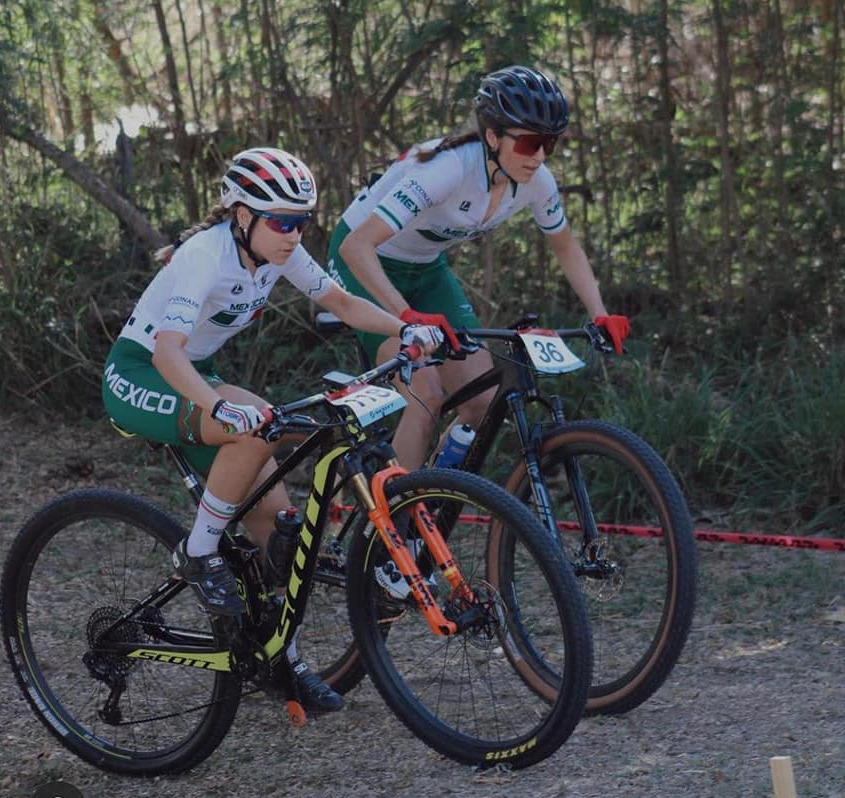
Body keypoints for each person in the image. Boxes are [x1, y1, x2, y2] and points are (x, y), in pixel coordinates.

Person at [102, 147, 442, 711]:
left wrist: (406, 327)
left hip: (194, 372)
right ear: (242, 215)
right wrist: (215, 405)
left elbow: (339, 300)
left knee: (279, 530)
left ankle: (275, 658)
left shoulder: (279, 249)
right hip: (141, 373)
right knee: (252, 428)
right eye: (283, 221)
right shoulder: (202, 256)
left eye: (302, 221)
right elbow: (167, 353)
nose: (294, 233)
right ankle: (200, 548)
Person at [327, 65, 630, 469]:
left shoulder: (537, 182)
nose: (539, 156)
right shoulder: (447, 169)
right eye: (529, 144)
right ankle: (392, 523)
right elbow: (356, 246)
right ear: (492, 136)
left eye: (549, 144)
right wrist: (405, 316)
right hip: (365, 262)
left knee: (483, 404)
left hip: (425, 267)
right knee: (426, 392)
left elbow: (565, 247)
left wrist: (600, 313)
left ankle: (431, 497)